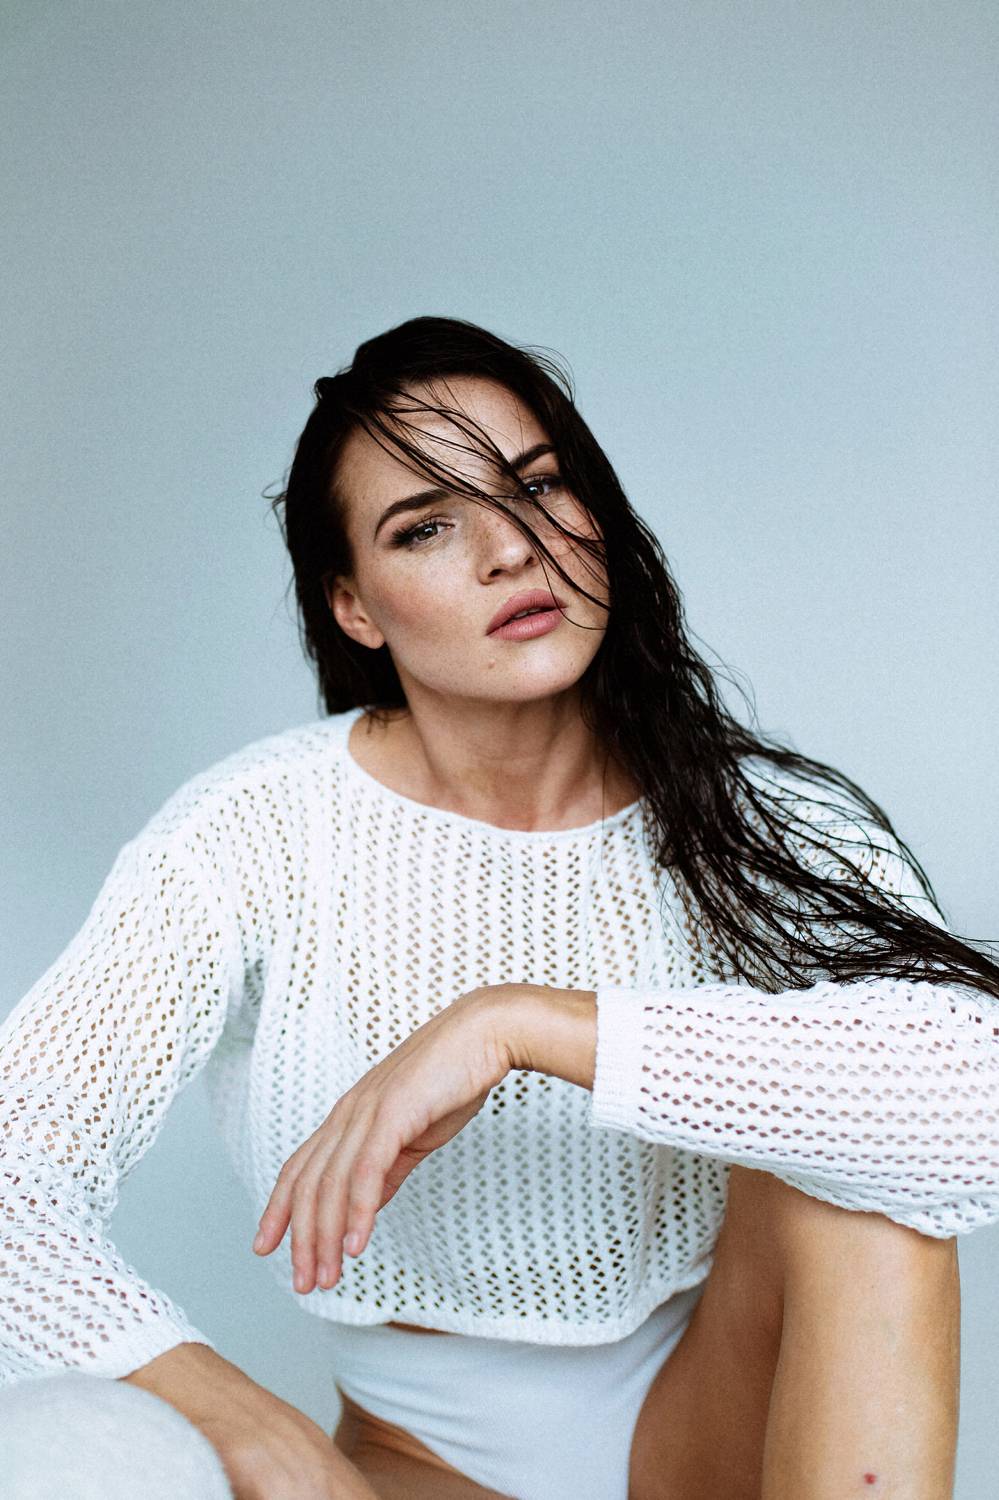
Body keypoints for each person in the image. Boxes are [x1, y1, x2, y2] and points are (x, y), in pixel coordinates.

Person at [1, 315, 997, 1500]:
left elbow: (977, 1098)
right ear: (355, 607)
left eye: (536, 487)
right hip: (424, 1464)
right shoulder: (257, 834)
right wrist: (238, 1418)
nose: (511, 549)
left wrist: (516, 1023)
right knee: (81, 1449)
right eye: (426, 526)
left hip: (715, 1424)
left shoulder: (760, 817)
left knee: (869, 1154)